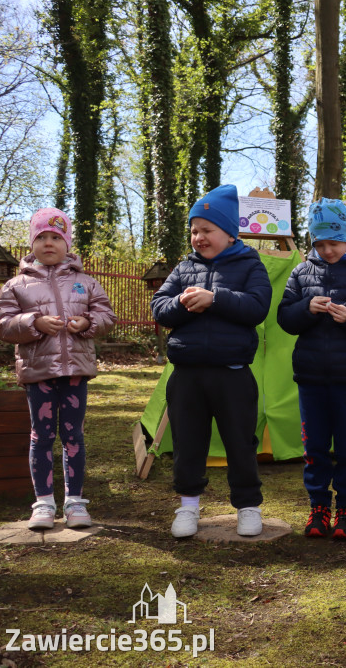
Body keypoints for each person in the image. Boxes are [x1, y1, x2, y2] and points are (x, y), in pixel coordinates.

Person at [151, 184, 272, 539]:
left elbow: (257, 307)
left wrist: (215, 299)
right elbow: (160, 307)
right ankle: (188, 506)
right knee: (188, 442)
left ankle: (248, 507)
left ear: (229, 233)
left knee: (240, 441)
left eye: (207, 230)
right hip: (186, 373)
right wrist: (186, 303)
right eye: (194, 230)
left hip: (232, 373)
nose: (198, 237)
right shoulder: (183, 268)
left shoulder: (251, 264)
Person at [0, 209, 116, 530]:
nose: (49, 243)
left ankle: (75, 502)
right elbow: (3, 325)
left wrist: (87, 322)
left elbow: (107, 316)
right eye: (42, 237)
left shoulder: (86, 283)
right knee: (42, 435)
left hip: (75, 371)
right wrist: (33, 322)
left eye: (56, 237)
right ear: (32, 243)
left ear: (67, 243)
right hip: (39, 374)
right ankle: (44, 503)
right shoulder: (15, 286)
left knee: (73, 434)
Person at [277, 199, 346, 540]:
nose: (327, 250)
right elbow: (285, 318)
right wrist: (306, 308)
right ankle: (318, 507)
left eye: (334, 243)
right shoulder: (300, 272)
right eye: (320, 244)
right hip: (310, 378)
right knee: (314, 447)